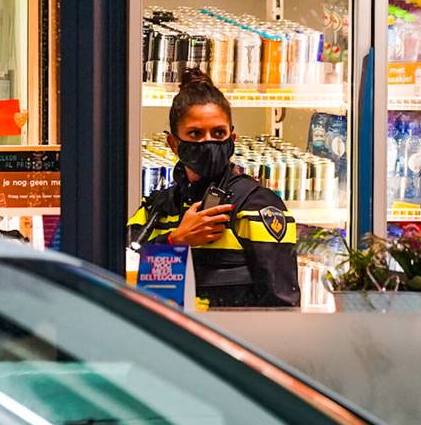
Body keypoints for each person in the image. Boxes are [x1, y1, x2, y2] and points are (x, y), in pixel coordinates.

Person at [127, 69, 299, 308]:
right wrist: (176, 240)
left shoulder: (258, 207)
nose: (207, 142)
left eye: (218, 133)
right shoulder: (156, 210)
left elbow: (281, 304)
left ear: (232, 139)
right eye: (195, 134)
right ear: (173, 143)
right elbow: (120, 281)